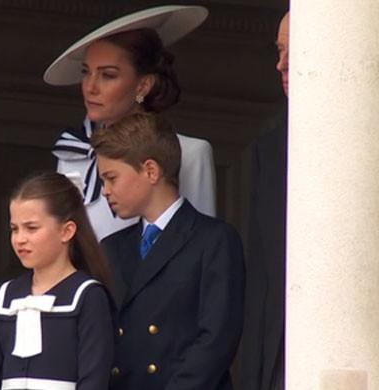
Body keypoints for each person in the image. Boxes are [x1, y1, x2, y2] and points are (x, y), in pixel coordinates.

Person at [92, 112, 244, 390]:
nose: (106, 191)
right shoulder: (112, 247)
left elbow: (216, 340)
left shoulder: (214, 240)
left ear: (151, 171)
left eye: (112, 178)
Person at [45, 5, 217, 240]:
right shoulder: (72, 152)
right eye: (86, 72)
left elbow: (201, 245)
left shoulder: (190, 153)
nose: (90, 87)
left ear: (143, 85)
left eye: (108, 75)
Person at [0, 172, 115, 390]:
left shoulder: (87, 295)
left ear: (66, 231)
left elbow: (93, 382)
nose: (20, 239)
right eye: (14, 229)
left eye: (31, 228)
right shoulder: (5, 296)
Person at [234, 11, 289, 390]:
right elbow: (262, 280)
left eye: (294, 51)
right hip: (276, 364)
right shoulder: (269, 151)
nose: (281, 65)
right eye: (279, 51)